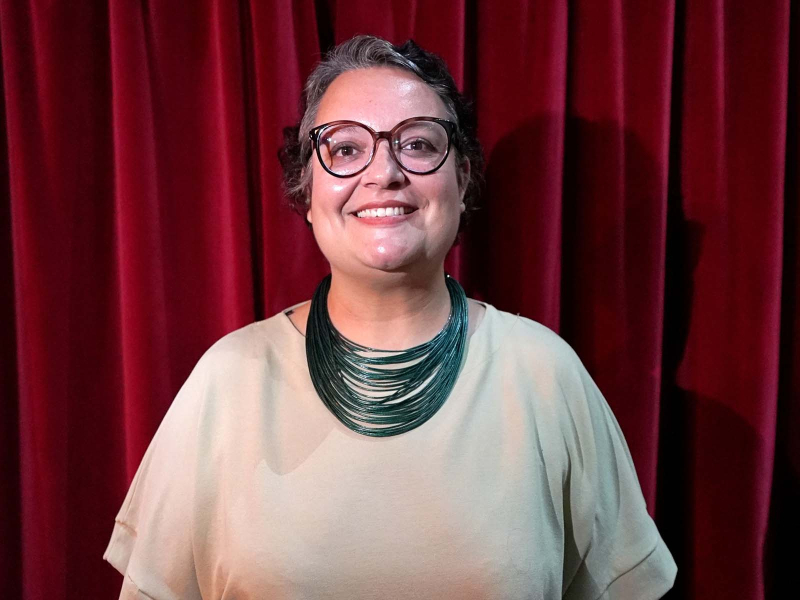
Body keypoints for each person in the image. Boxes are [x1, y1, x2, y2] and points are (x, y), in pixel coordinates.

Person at [104, 35, 677, 599]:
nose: (384, 172)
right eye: (346, 149)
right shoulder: (228, 379)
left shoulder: (544, 374)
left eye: (418, 144)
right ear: (307, 190)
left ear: (462, 179)